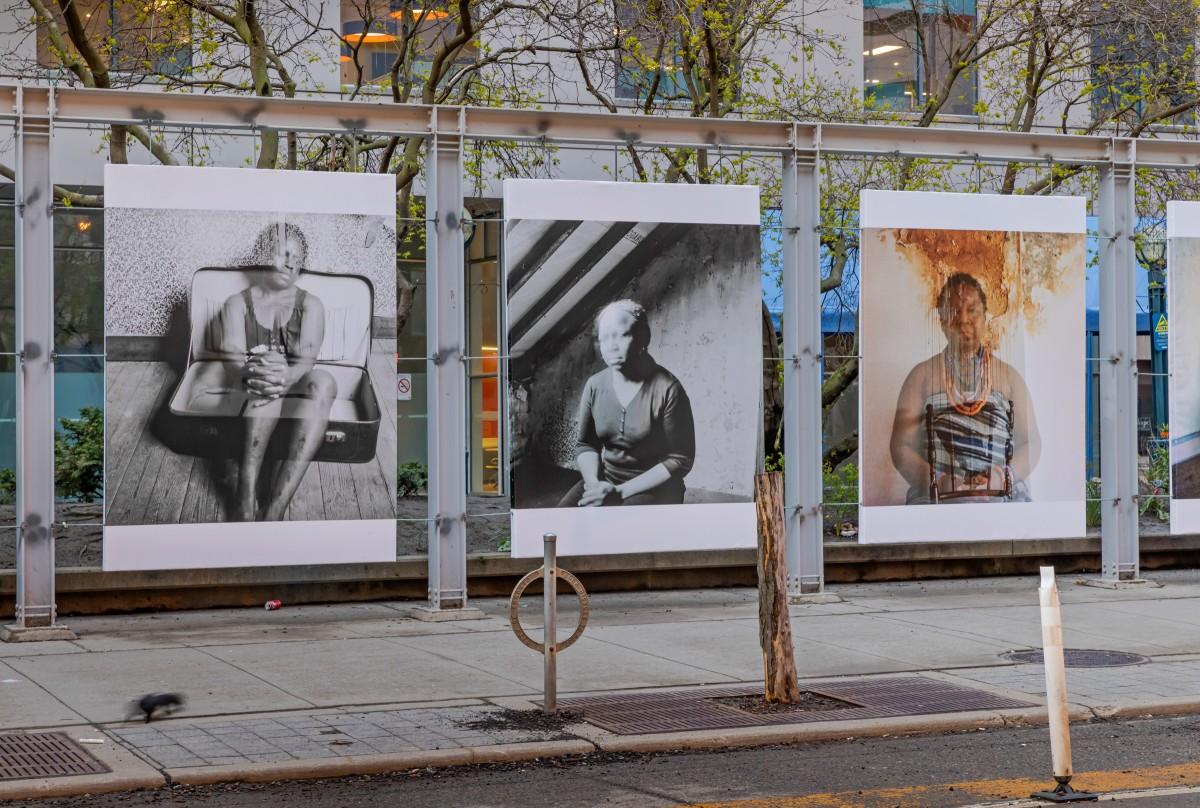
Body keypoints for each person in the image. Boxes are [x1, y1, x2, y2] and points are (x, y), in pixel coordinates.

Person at [189, 222, 336, 522]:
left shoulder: (311, 304)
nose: (291, 262)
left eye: (298, 257)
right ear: (263, 254)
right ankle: (245, 497)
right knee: (262, 387)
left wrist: (284, 377)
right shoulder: (237, 303)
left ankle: (274, 509)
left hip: (293, 381)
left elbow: (307, 358)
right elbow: (232, 353)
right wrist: (254, 373)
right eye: (283, 253)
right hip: (249, 385)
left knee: (325, 382)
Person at [888, 272, 1040, 504]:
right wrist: (938, 480)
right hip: (935, 498)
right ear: (940, 321)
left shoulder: (1009, 377)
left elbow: (1031, 442)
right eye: (953, 311)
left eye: (972, 310)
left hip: (1001, 498)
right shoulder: (921, 376)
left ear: (985, 317)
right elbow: (901, 446)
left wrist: (1002, 477)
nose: (963, 320)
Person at [557, 300, 696, 507]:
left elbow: (680, 459)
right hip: (606, 481)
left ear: (643, 338)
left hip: (656, 488)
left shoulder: (668, 389)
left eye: (622, 335)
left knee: (616, 532)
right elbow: (586, 444)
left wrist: (619, 492)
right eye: (604, 338)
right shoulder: (595, 385)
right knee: (558, 522)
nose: (611, 346)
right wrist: (594, 484)